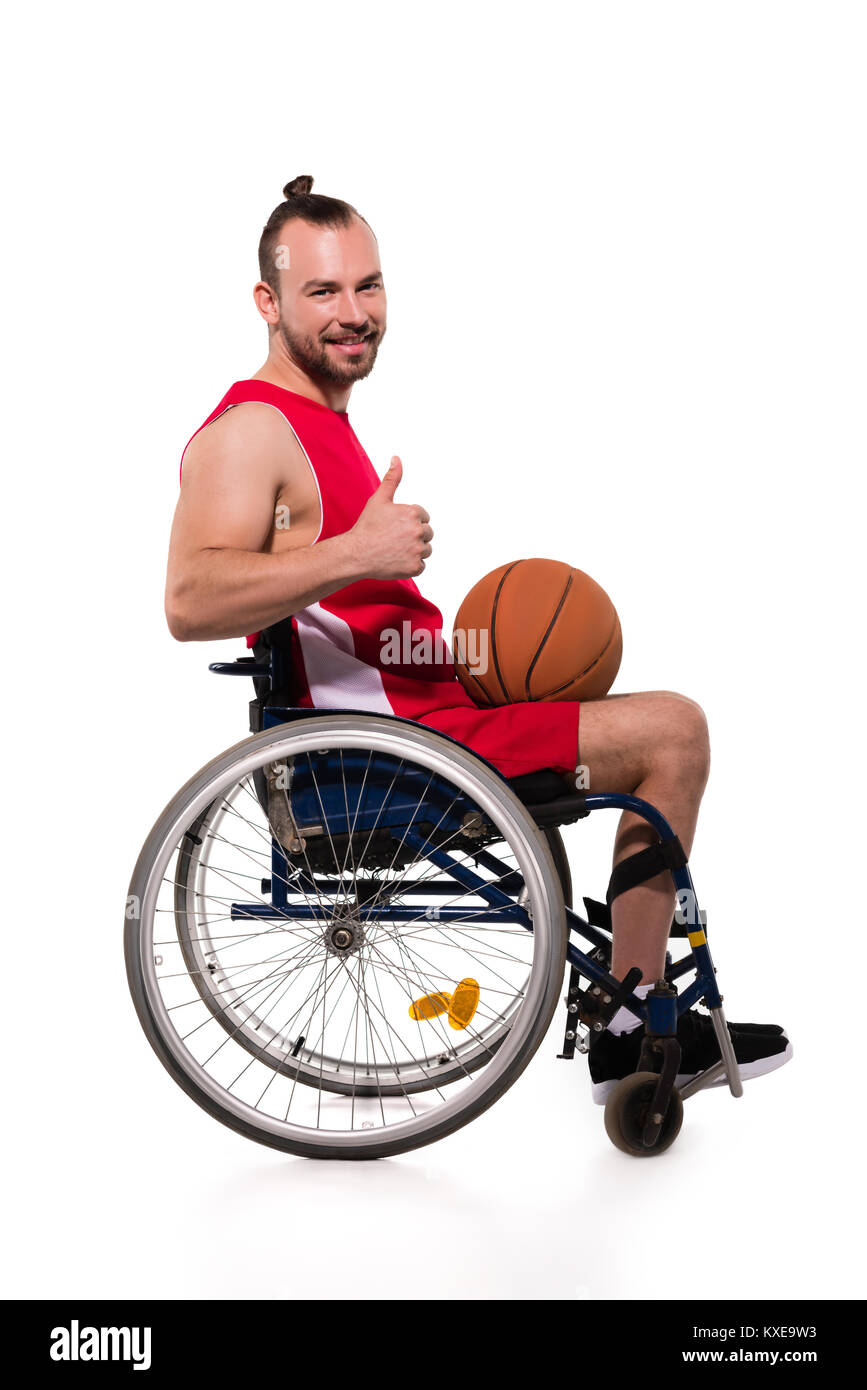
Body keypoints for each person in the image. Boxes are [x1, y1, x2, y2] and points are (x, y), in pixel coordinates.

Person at [165, 175, 791, 1102]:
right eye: (323, 292)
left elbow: (352, 621)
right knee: (673, 732)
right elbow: (189, 598)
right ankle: (632, 1015)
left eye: (367, 287)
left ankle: (631, 1002)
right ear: (269, 302)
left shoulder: (320, 422)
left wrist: (479, 652)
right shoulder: (252, 430)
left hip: (427, 714)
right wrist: (357, 549)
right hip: (390, 759)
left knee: (639, 711)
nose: (354, 314)